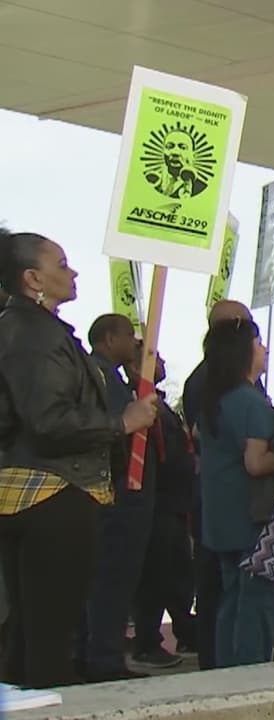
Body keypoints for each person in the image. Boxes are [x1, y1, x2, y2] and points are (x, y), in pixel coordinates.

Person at [0, 228, 157, 688]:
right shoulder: (33, 333)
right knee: (50, 637)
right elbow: (48, 420)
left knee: (33, 632)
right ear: (33, 278)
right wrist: (121, 422)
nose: (73, 273)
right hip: (53, 495)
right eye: (62, 265)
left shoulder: (33, 330)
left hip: (43, 493)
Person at [199, 319, 274, 667]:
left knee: (232, 603)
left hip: (221, 518)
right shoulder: (250, 402)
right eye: (258, 342)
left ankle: (227, 677)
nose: (264, 349)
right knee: (257, 609)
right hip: (254, 518)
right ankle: (253, 678)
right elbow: (256, 462)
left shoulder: (215, 400)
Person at [82, 313, 162, 680]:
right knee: (112, 578)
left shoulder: (111, 377)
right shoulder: (100, 377)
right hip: (119, 494)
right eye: (129, 335)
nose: (134, 343)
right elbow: (117, 428)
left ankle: (101, 653)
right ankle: (104, 658)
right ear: (110, 338)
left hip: (124, 494)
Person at [183, 299, 251, 669]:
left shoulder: (221, 384)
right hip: (228, 501)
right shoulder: (219, 387)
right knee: (225, 589)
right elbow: (250, 452)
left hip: (219, 501)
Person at [126, 343, 198, 669]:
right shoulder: (138, 404)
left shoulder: (160, 403)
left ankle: (185, 628)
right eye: (154, 357)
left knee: (177, 571)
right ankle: (147, 641)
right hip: (159, 502)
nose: (163, 361)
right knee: (155, 574)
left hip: (176, 500)